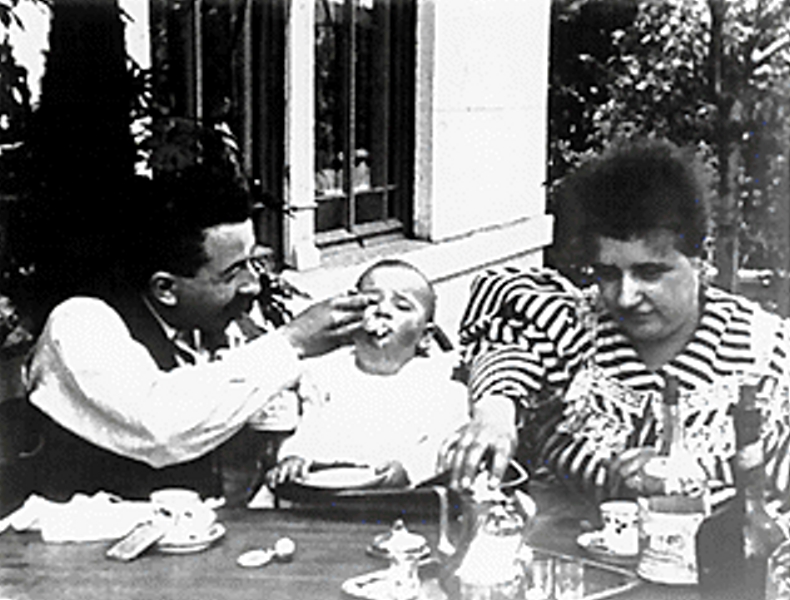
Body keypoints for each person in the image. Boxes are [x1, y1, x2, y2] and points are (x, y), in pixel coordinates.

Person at [441, 137, 790, 504]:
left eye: (650, 273)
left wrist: (683, 487)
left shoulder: (765, 355)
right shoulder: (573, 326)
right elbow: (508, 347)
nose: (625, 297)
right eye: (607, 274)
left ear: (700, 258)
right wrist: (494, 413)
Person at [24, 171, 375, 502]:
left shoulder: (211, 323)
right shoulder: (82, 325)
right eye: (233, 272)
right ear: (165, 288)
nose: (253, 285)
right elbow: (160, 427)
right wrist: (291, 342)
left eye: (252, 262)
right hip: (86, 537)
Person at [266, 259, 469, 490]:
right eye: (371, 301)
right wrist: (294, 456)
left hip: (397, 497)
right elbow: (308, 427)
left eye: (402, 306)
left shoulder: (437, 385)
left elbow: (443, 443)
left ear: (425, 337)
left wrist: (410, 469)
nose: (382, 311)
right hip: (324, 490)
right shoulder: (327, 373)